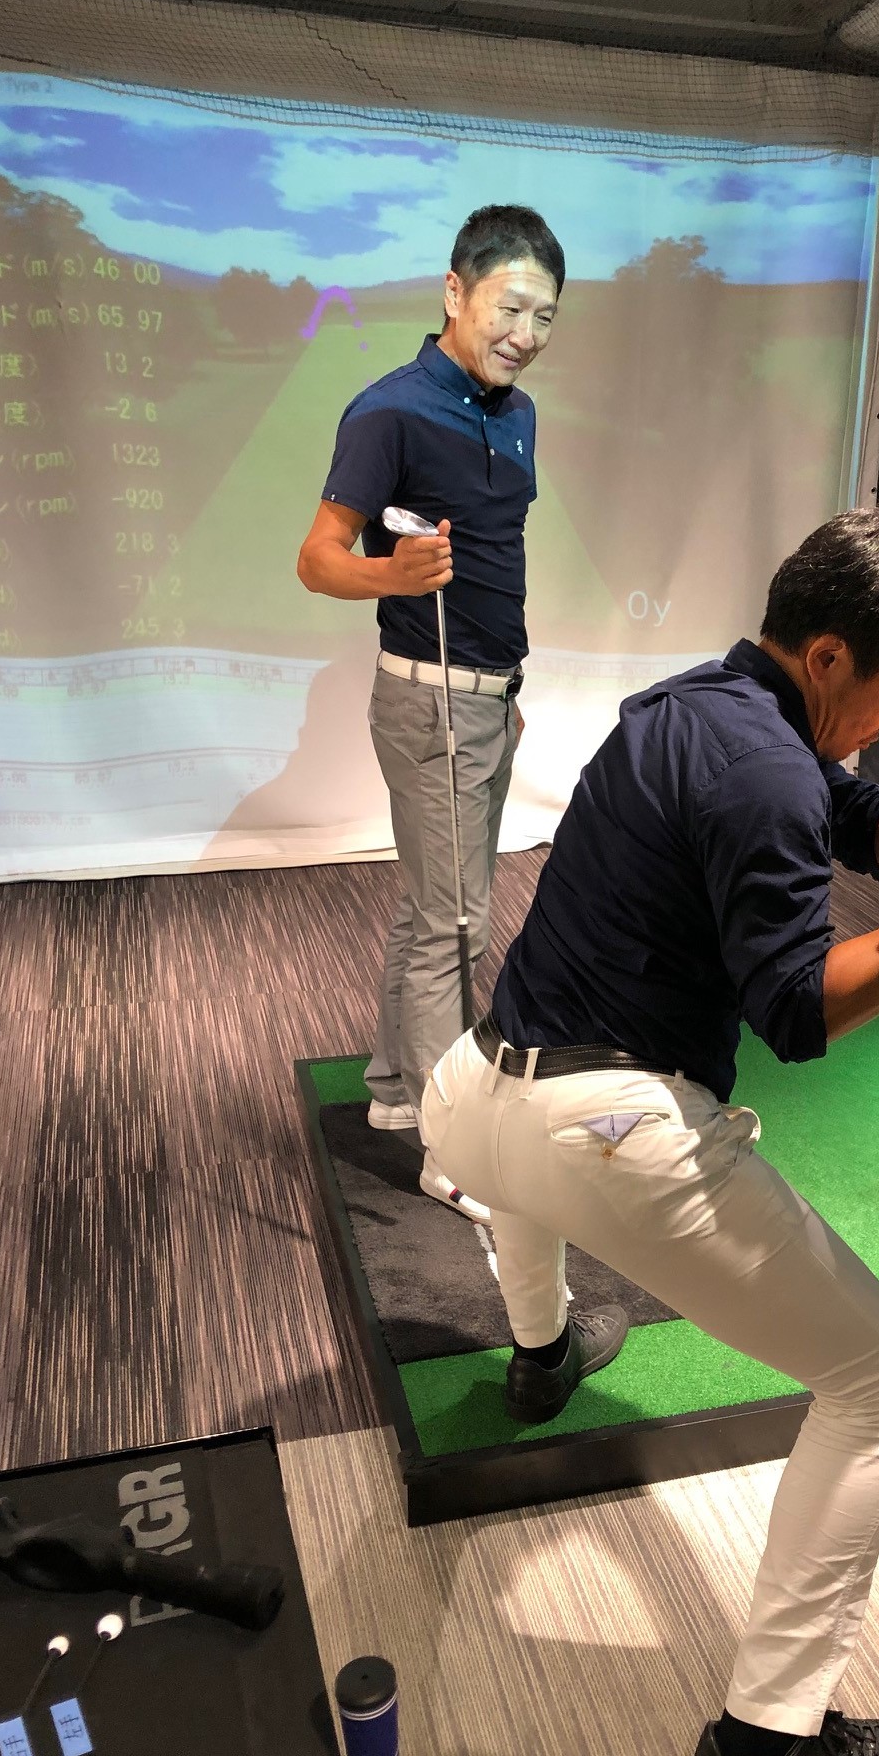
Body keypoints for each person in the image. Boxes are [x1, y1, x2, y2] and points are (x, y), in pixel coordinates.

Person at [422, 505, 879, 1756]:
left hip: (472, 1094)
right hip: (609, 1133)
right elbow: (800, 1011)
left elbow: (855, 815)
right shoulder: (767, 769)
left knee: (528, 1173)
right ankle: (767, 1741)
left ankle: (543, 1355)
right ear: (830, 657)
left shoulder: (694, 706)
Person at [297, 204, 565, 1224]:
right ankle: (451, 1148)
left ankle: (395, 1092)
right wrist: (392, 573)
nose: (525, 335)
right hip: (430, 702)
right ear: (455, 292)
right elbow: (317, 558)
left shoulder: (519, 413)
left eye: (545, 317)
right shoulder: (389, 412)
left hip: (492, 698)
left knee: (434, 908)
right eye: (509, 308)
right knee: (454, 921)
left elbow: (497, 558)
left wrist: (510, 694)